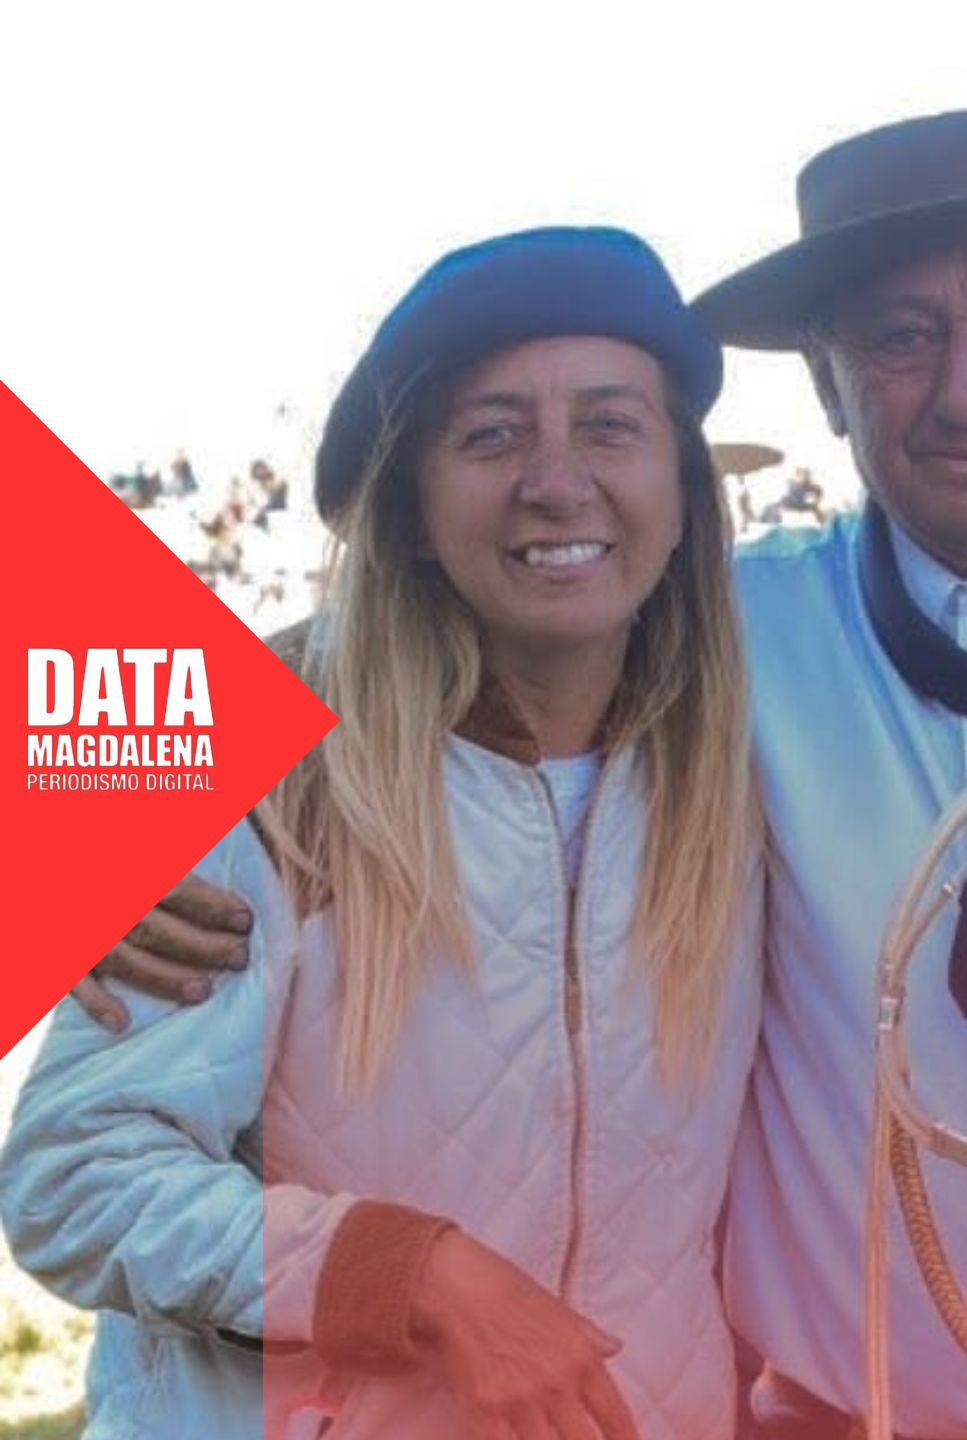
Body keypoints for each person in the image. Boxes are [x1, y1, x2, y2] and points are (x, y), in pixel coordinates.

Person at [90, 110, 967, 1440]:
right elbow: (434, 607)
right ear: (831, 385)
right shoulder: (724, 634)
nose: (965, 389)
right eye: (899, 338)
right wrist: (112, 823)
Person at [4, 227, 765, 1439]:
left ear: (682, 491)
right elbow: (74, 1174)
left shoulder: (747, 779)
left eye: (612, 425)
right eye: (492, 432)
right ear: (409, 508)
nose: (557, 480)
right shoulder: (276, 786)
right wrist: (407, 1272)